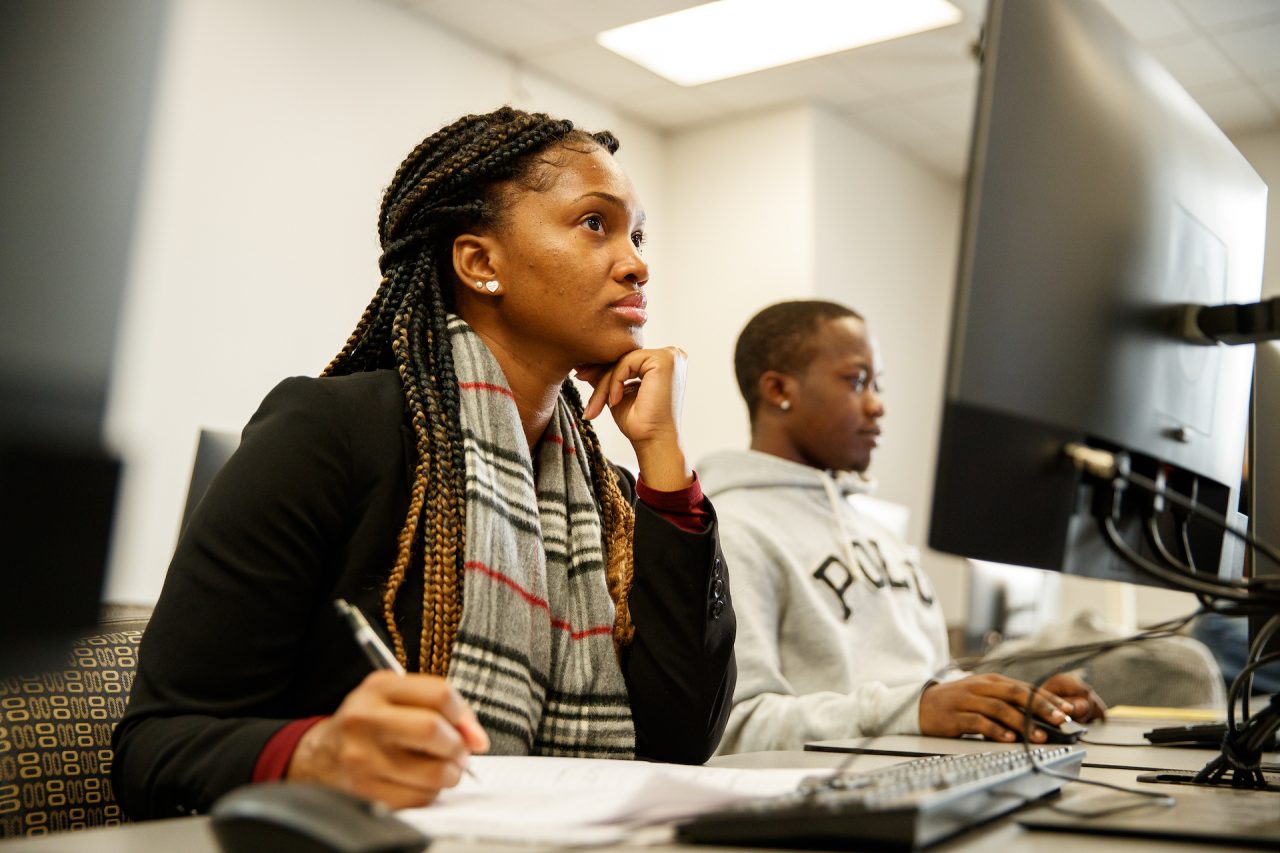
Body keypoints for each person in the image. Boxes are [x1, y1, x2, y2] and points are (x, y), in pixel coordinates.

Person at [113, 107, 735, 819]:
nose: (636, 261)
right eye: (596, 223)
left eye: (638, 233)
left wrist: (663, 458)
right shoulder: (328, 433)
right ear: (479, 263)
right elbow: (154, 748)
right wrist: (314, 753)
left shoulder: (608, 493)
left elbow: (682, 741)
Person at [700, 300, 1103, 756]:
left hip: (925, 769)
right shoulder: (732, 531)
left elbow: (925, 682)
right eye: (856, 382)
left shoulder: (879, 533)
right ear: (777, 389)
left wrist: (1011, 699)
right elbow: (733, 726)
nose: (877, 405)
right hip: (824, 795)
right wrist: (909, 711)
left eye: (879, 384)